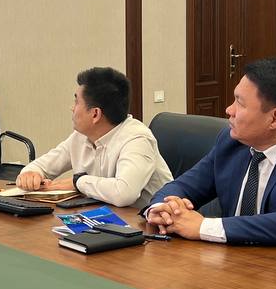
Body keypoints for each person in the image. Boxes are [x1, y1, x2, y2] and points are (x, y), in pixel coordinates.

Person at [145, 57, 276, 244]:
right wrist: (161, 210)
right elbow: (183, 186)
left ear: (275, 118)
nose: (229, 110)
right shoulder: (232, 142)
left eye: (240, 103)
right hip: (234, 263)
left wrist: (203, 227)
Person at [16, 67, 172, 208]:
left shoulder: (137, 139)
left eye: (76, 102)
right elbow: (43, 166)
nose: (72, 108)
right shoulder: (80, 137)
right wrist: (31, 174)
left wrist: (78, 182)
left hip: (149, 225)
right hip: (105, 218)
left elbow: (124, 193)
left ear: (95, 114)